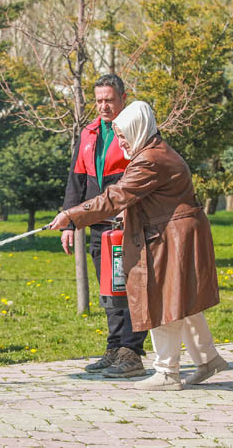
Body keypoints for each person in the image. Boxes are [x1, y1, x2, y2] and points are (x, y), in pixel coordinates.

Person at [49, 101, 228, 390]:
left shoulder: (150, 159)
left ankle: (167, 373)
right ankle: (208, 360)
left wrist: (72, 216)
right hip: (175, 233)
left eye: (122, 136)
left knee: (164, 302)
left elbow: (115, 196)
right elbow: (147, 198)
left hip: (173, 237)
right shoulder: (152, 151)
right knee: (183, 301)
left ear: (138, 129)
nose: (120, 142)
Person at [61, 74, 148, 377]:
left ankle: (131, 352)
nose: (103, 106)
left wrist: (130, 210)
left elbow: (142, 178)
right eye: (99, 100)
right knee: (109, 289)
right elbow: (76, 180)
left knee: (130, 287)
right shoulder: (89, 133)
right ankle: (115, 347)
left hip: (129, 223)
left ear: (123, 98)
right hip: (99, 224)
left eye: (109, 100)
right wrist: (69, 221)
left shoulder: (134, 131)